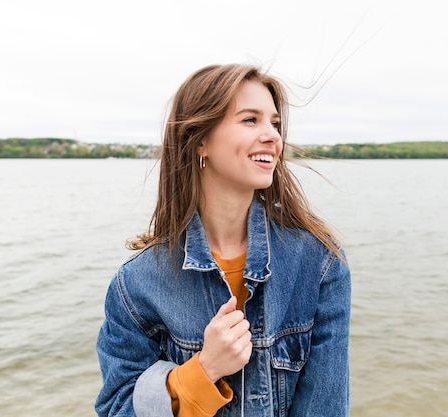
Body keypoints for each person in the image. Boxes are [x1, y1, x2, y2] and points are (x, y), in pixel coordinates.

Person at [95, 63, 351, 417]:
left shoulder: (319, 265)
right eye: (250, 120)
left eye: (275, 123)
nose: (273, 136)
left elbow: (327, 408)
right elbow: (116, 409)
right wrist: (203, 370)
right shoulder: (136, 285)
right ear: (200, 140)